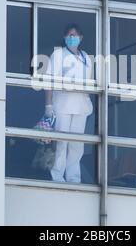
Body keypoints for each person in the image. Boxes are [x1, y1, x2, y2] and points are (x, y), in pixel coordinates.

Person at [44, 23, 93, 183]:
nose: (72, 38)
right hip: (62, 105)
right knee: (61, 143)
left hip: (81, 106)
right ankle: (57, 177)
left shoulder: (86, 57)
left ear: (81, 37)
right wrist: (48, 106)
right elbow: (49, 82)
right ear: (65, 37)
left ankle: (73, 178)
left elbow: (90, 83)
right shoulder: (58, 55)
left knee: (76, 145)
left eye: (75, 35)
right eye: (69, 35)